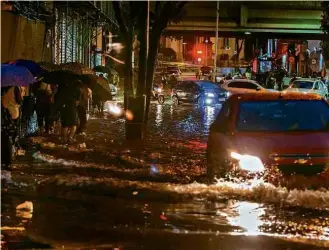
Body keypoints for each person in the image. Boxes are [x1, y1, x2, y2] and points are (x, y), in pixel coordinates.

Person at [1, 86, 25, 170]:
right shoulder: (15, 88)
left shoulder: (5, 89)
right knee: (11, 134)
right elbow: (19, 101)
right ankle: (10, 155)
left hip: (5, 114)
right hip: (12, 113)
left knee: (5, 136)